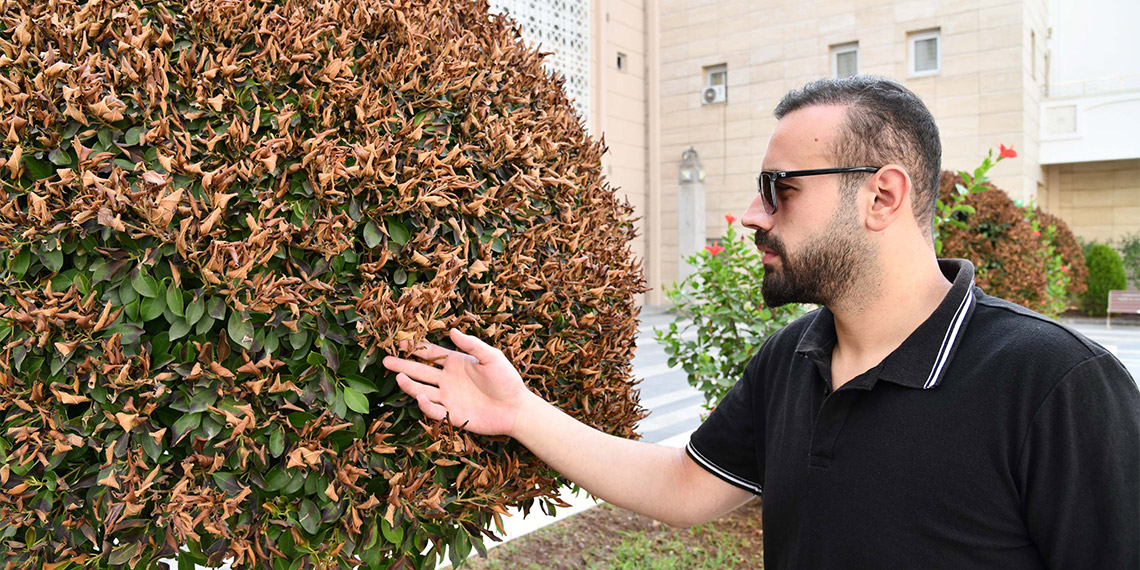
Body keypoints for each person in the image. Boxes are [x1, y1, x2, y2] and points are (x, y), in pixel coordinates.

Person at [382, 76, 1139, 568]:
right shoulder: (794, 358)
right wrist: (518, 411)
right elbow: (684, 484)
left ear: (882, 196)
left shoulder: (1056, 385)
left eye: (779, 189)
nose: (749, 216)